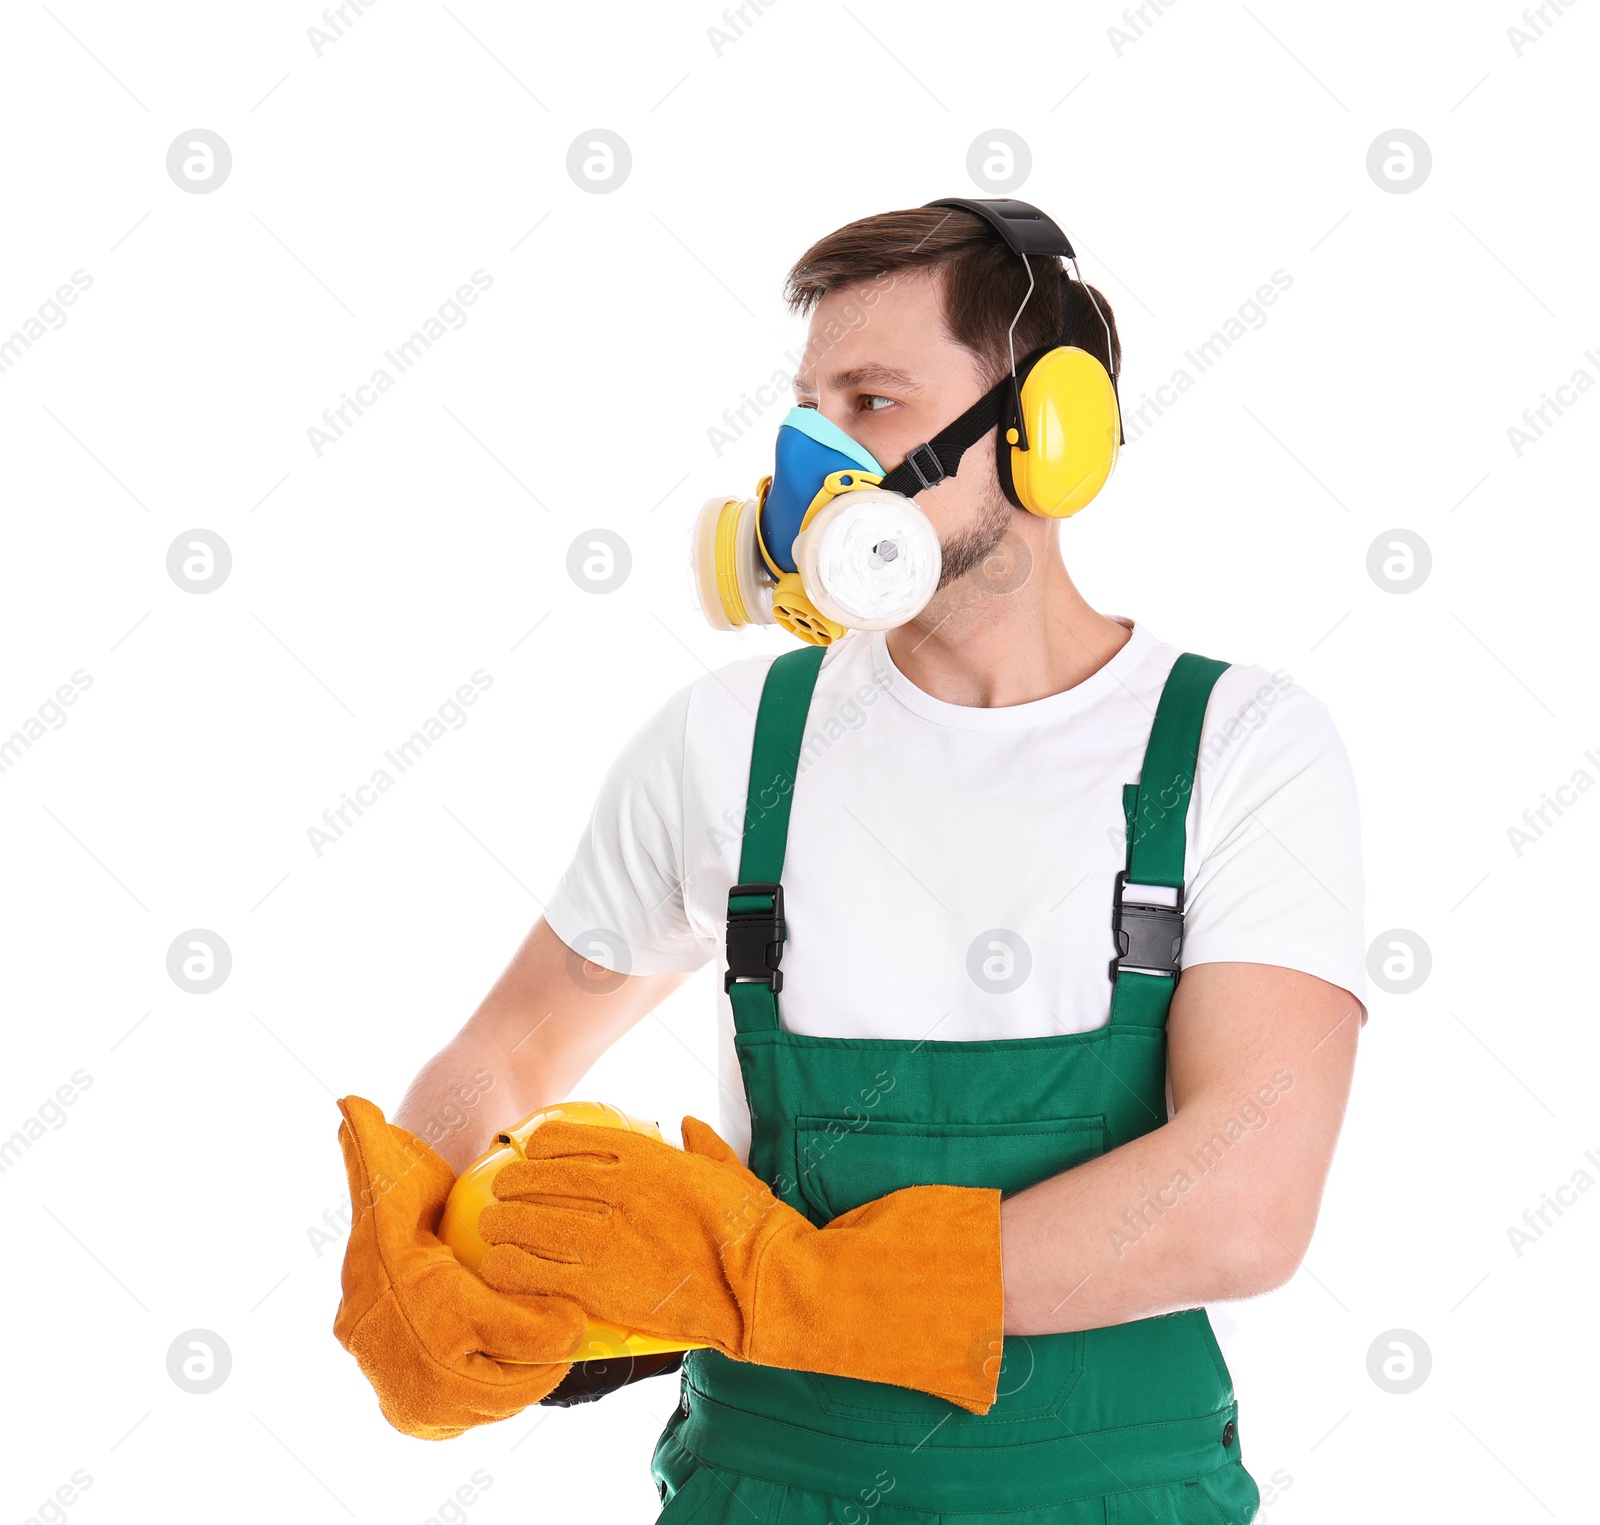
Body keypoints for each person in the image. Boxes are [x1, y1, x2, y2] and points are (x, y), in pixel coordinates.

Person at [332, 199, 1366, 1523]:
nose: (813, 459)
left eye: (872, 402)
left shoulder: (1239, 744)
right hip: (767, 1485)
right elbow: (505, 1055)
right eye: (807, 407)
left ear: (1050, 432)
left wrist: (777, 1282)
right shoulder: (730, 740)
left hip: (1110, 1494)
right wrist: (419, 1254)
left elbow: (1240, 1203)